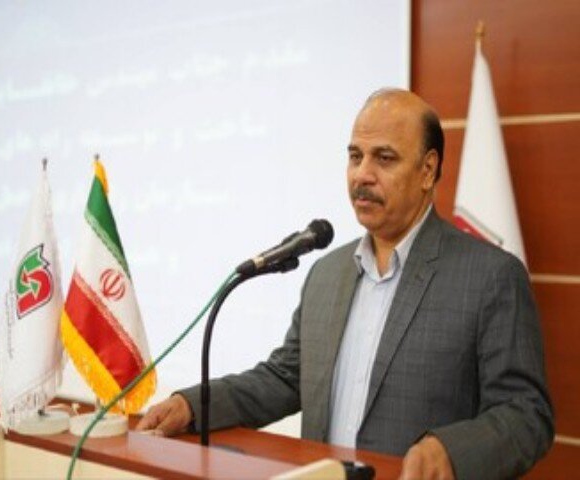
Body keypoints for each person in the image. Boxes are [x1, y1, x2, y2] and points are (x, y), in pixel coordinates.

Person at [136, 88, 554, 479]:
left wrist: (451, 451)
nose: (362, 175)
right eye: (355, 157)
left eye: (384, 159)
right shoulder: (328, 273)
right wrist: (194, 405)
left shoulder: (489, 276)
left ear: (427, 170)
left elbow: (526, 414)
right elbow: (286, 378)